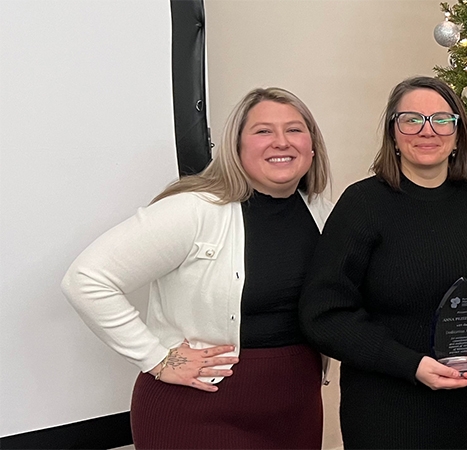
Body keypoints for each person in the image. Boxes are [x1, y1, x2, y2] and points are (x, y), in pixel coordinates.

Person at [61, 87, 333, 448]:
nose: (281, 142)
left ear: (311, 146)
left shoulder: (323, 214)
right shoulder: (193, 210)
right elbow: (86, 279)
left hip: (294, 410)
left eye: (295, 130)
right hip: (198, 410)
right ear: (236, 147)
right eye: (263, 131)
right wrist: (157, 358)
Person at [299, 76, 467, 449]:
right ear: (393, 132)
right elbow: (324, 313)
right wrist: (409, 364)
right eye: (411, 119)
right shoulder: (362, 205)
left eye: (441, 119)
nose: (428, 131)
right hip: (386, 409)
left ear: (458, 133)